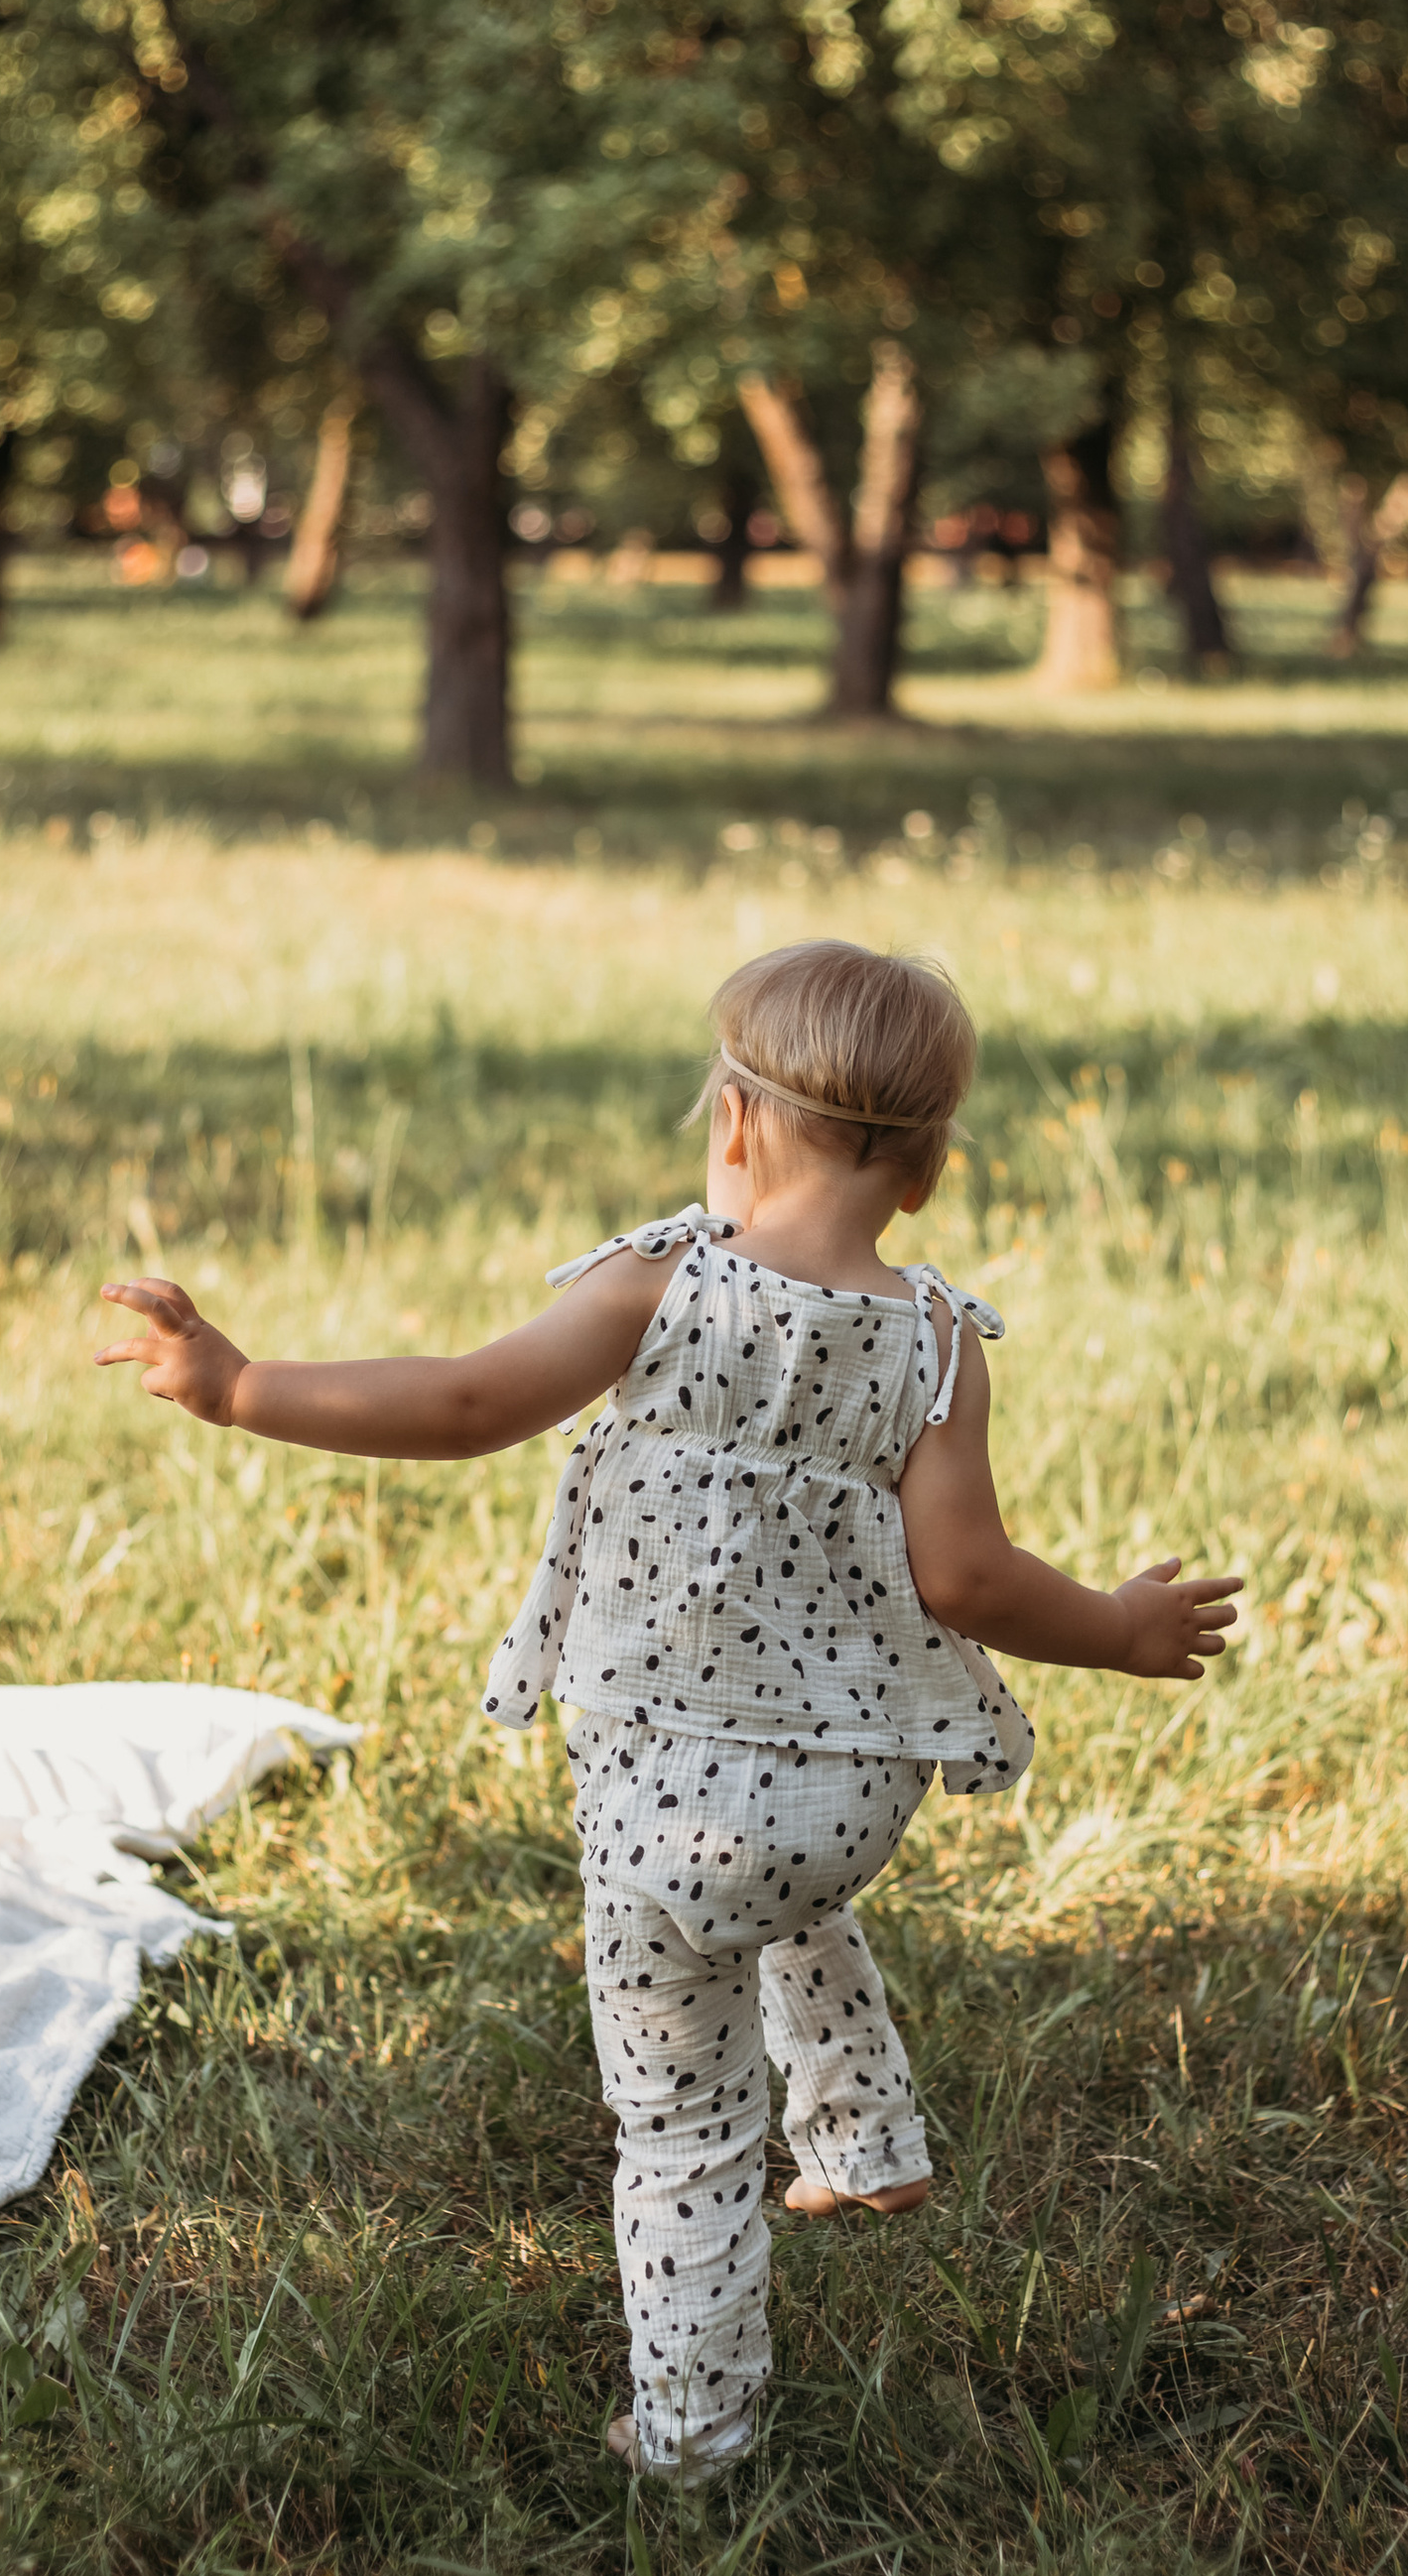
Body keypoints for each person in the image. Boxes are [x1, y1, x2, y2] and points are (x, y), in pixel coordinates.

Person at [95, 940, 1240, 2478]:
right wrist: (1119, 1626)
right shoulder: (937, 1343)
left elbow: (464, 1404)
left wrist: (241, 1386)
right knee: (787, 1892)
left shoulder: (662, 1283)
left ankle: (695, 2431)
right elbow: (969, 1578)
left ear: (734, 1123)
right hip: (850, 1805)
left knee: (685, 2127)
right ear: (923, 1174)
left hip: (667, 1815)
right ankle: (867, 2140)